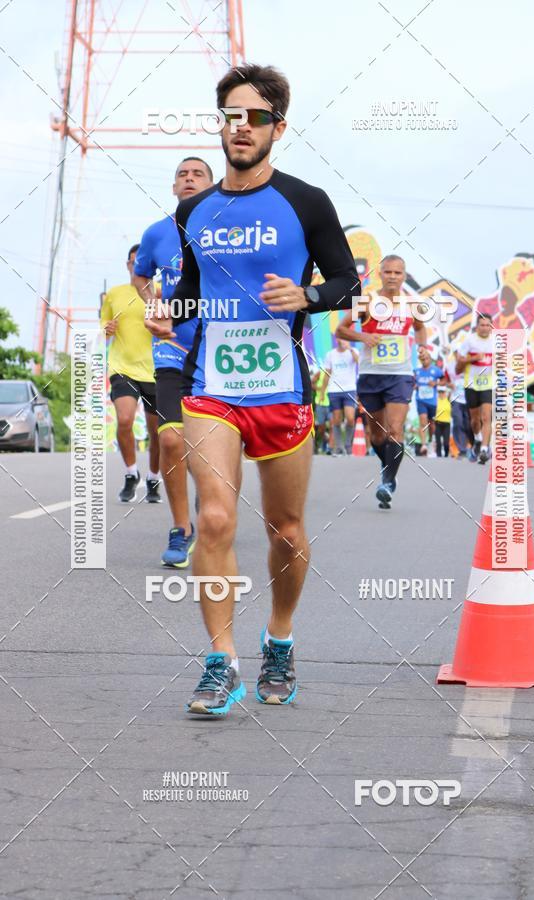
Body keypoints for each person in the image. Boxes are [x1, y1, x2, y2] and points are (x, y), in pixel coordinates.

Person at [146, 63, 360, 716]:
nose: (242, 128)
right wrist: (172, 316)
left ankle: (280, 639)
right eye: (231, 116)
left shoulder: (306, 202)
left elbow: (347, 279)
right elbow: (189, 294)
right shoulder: (194, 211)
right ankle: (221, 662)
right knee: (214, 516)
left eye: (256, 117)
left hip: (282, 389)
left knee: (287, 532)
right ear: (221, 124)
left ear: (278, 127)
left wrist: (309, 295)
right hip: (213, 387)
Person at [133, 158, 214, 567]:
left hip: (220, 351)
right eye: (182, 173)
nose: (188, 178)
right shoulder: (156, 233)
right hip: (171, 351)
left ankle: (210, 513)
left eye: (198, 174)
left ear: (213, 185)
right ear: (173, 186)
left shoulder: (230, 230)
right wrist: (155, 306)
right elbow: (140, 274)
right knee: (169, 439)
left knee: (213, 446)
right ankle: (181, 530)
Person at [336, 255, 427, 508]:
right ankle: (387, 465)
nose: (393, 277)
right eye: (388, 272)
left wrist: (423, 348)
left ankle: (387, 481)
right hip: (371, 374)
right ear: (380, 274)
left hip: (400, 374)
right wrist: (363, 337)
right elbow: (340, 330)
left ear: (404, 276)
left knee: (395, 429)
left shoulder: (411, 304)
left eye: (398, 273)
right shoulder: (366, 300)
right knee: (376, 435)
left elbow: (420, 328)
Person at [101, 244, 160, 503]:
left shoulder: (160, 293)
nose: (137, 265)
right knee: (124, 420)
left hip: (156, 370)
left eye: (142, 261)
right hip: (122, 367)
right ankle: (130, 473)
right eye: (133, 261)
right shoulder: (114, 294)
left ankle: (153, 478)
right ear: (127, 265)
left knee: (157, 431)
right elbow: (103, 325)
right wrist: (108, 328)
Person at [456, 313, 494, 464]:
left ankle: (484, 449)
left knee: (486, 417)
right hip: (471, 383)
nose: (485, 328)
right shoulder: (470, 340)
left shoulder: (496, 342)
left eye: (487, 325)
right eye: (482, 325)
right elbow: (459, 363)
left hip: (488, 384)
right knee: (474, 421)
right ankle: (478, 439)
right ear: (477, 327)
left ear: (491, 327)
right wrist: (473, 358)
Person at [322, 338, 359, 454]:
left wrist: (349, 349)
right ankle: (338, 446)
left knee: (350, 418)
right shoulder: (330, 354)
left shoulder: (353, 351)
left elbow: (358, 361)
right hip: (334, 390)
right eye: (340, 337)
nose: (342, 340)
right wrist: (323, 391)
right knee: (336, 420)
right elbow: (327, 373)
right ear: (337, 339)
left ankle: (348, 444)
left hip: (349, 389)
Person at [414, 345, 443, 457]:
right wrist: (414, 385)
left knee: (431, 424)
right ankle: (424, 445)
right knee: (423, 422)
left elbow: (444, 381)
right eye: (422, 359)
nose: (424, 360)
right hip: (420, 400)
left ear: (430, 359)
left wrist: (436, 383)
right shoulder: (416, 371)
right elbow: (411, 382)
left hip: (432, 402)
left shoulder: (436, 371)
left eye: (426, 358)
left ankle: (431, 440)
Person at [444, 348, 472, 458]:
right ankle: (462, 449)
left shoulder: (471, 365)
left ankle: (470, 445)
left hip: (469, 399)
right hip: (456, 399)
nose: (459, 355)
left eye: (462, 353)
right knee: (458, 422)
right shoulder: (449, 366)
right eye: (457, 353)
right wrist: (448, 384)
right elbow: (444, 380)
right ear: (454, 353)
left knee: (468, 424)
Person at [311, 365, 331, 454]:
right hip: (321, 403)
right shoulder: (321, 371)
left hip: (332, 403)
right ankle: (321, 443)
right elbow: (312, 382)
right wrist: (318, 388)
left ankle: (330, 447)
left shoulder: (337, 372)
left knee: (332, 426)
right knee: (321, 428)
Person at [434, 384, 451, 457]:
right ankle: (439, 456)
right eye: (439, 392)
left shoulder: (448, 399)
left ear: (445, 392)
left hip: (447, 423)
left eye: (443, 392)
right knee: (438, 442)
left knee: (446, 442)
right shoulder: (435, 400)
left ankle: (446, 454)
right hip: (437, 423)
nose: (441, 393)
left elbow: (452, 390)